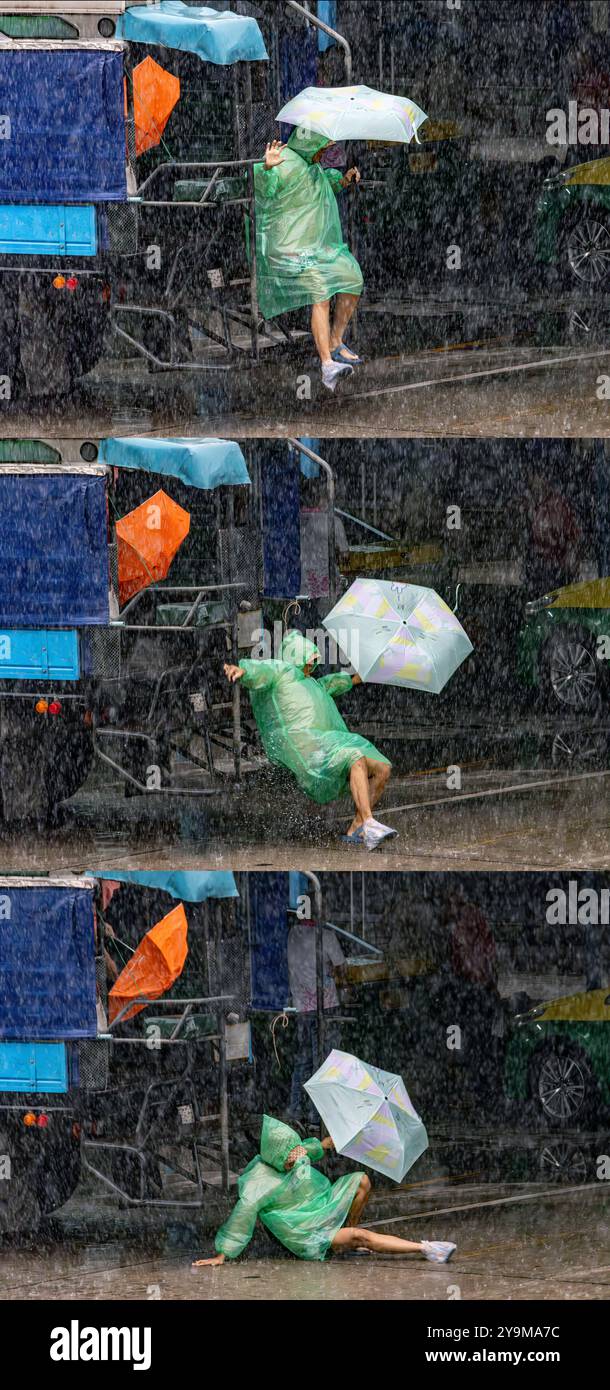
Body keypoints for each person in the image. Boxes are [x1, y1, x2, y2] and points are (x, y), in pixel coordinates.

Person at [192, 1115, 456, 1267]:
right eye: (290, 1159)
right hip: (305, 1230)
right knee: (358, 1235)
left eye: (297, 1154)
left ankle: (346, 1243)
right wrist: (221, 1254)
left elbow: (324, 1144)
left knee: (362, 1180)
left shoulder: (294, 1152)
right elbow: (241, 1218)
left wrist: (354, 1131)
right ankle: (426, 1249)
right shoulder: (258, 1183)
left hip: (323, 1204)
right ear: (275, 1158)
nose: (296, 1161)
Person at [224, 630, 397, 849]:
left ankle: (358, 826)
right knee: (355, 757)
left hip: (329, 742)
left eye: (314, 662)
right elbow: (261, 671)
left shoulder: (315, 685)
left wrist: (380, 667)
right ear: (297, 657)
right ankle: (370, 825)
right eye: (308, 660)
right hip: (309, 750)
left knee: (383, 768)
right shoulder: (282, 673)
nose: (311, 666)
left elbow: (342, 681)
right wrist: (241, 670)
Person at [254, 133, 364, 392]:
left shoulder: (312, 168)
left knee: (351, 276)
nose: (323, 155)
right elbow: (264, 187)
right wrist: (267, 168)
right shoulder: (286, 161)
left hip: (315, 250)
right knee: (320, 291)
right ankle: (327, 365)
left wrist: (344, 180)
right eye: (322, 148)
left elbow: (325, 182)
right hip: (287, 251)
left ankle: (336, 340)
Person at [286, 916, 345, 1125]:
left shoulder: (292, 935)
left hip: (302, 1008)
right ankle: (317, 1115)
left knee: (303, 1061)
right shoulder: (326, 936)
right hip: (325, 1007)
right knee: (326, 1061)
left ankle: (296, 1110)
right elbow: (341, 968)